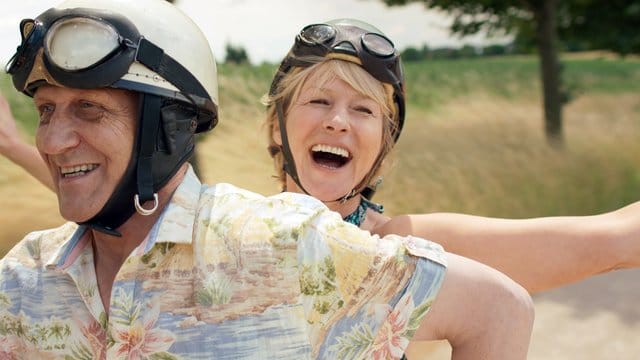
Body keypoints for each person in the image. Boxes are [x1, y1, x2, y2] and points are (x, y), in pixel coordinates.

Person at [0, 1, 534, 358]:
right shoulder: (20, 282)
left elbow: (497, 309)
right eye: (46, 111)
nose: (51, 141)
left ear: (168, 125)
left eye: (91, 109)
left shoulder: (287, 244)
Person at [262, 18, 640, 295]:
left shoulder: (401, 245)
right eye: (319, 101)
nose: (338, 121)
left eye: (364, 110)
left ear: (383, 143)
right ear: (277, 126)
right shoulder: (226, 228)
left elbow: (611, 241)